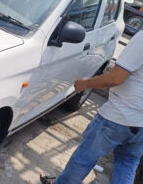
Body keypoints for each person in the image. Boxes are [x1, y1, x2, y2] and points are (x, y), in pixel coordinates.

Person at [41, 31, 143, 184]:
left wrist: (86, 83)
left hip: (119, 116)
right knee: (127, 162)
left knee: (84, 159)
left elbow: (115, 78)